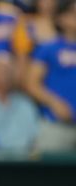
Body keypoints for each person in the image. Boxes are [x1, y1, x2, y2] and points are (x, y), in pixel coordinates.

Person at [26, 0, 76, 151]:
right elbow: (32, 84)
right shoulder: (49, 48)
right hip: (56, 125)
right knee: (50, 172)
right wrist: (54, 103)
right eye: (73, 13)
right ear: (61, 18)